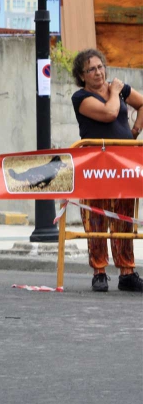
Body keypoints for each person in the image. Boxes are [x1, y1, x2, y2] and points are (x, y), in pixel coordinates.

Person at [71, 48, 143, 292]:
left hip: (123, 164)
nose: (98, 72)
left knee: (124, 217)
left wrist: (134, 133)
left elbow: (142, 103)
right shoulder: (80, 98)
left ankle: (127, 272)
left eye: (100, 66)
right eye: (91, 69)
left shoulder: (119, 89)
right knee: (96, 217)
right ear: (82, 76)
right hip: (95, 167)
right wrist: (114, 91)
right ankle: (99, 271)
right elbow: (110, 113)